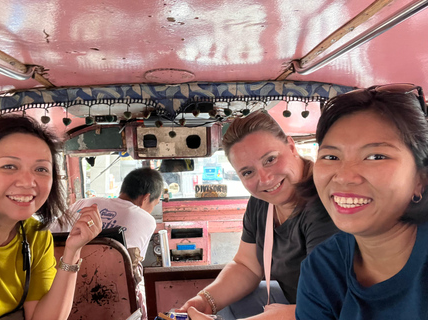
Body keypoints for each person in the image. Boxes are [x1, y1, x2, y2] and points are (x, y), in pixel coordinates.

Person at [179, 110, 339, 320]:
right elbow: (247, 266)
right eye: (247, 172)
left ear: (291, 147)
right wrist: (206, 300)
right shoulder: (261, 203)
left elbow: (330, 305)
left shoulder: (326, 204)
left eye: (270, 159)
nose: (265, 179)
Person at [0, 115, 102, 320]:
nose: (29, 181)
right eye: (9, 166)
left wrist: (73, 251)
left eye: (41, 169)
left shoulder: (35, 235)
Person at [296, 84, 428, 319]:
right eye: (331, 156)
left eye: (376, 156)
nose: (345, 176)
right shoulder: (322, 268)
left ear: (421, 179)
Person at [51, 167, 164, 260]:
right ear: (145, 198)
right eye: (155, 204)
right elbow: (133, 265)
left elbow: (51, 233)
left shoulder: (84, 203)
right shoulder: (147, 220)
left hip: (55, 269)